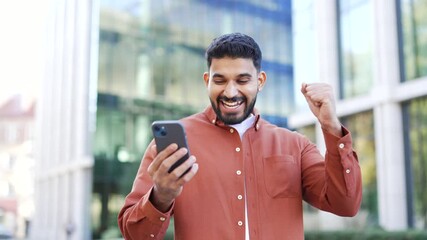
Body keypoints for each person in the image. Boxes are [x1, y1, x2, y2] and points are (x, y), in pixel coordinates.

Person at [118, 33, 362, 240]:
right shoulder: (172, 147)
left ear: (260, 81)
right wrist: (160, 196)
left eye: (242, 80)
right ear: (207, 81)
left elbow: (345, 204)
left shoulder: (295, 145)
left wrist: (331, 127)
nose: (230, 91)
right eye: (220, 80)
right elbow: (133, 233)